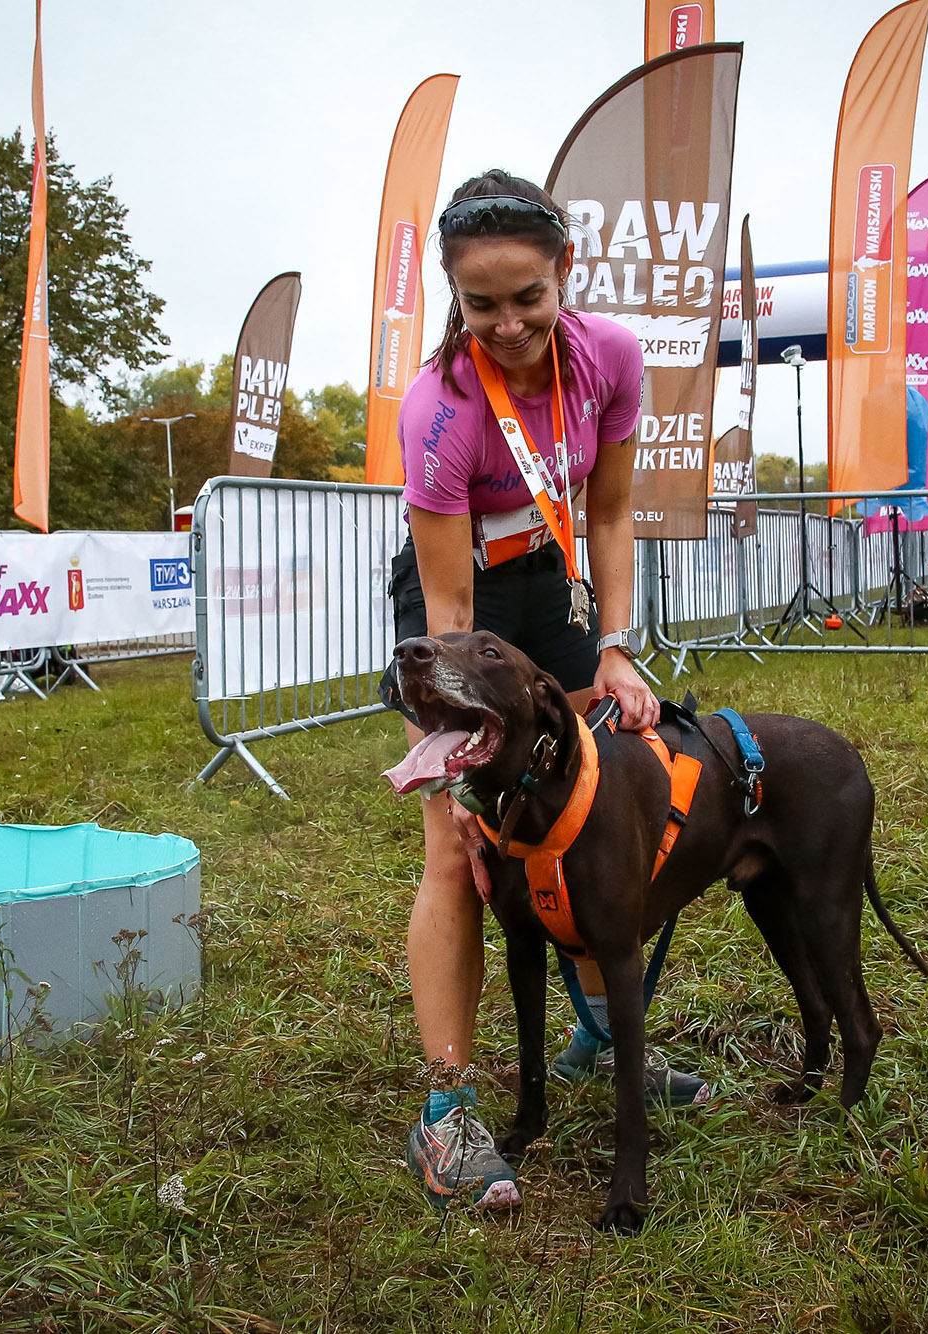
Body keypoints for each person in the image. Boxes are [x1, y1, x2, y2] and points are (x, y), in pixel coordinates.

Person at [382, 169, 711, 1213]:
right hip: (460, 613)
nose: (510, 322)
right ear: (453, 296)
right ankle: (448, 1112)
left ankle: (599, 1041)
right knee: (462, 848)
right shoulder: (439, 408)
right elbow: (444, 596)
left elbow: (609, 514)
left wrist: (613, 645)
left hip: (559, 586)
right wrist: (457, 740)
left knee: (592, 812)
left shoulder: (608, 355)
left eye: (527, 294)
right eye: (482, 304)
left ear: (563, 270)